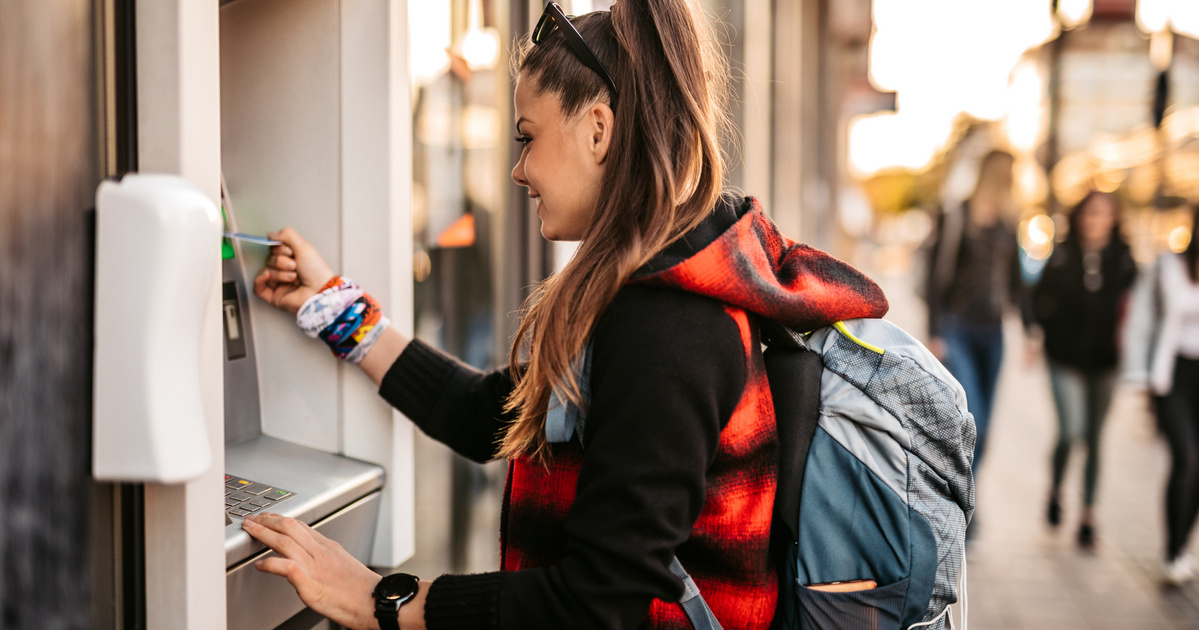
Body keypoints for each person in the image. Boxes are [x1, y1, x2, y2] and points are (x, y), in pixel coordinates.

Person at [241, 2, 889, 629]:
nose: (518, 171)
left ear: (598, 129)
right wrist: (333, 306)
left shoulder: (667, 325)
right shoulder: (662, 289)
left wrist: (381, 601)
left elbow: (598, 601)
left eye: (527, 137)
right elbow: (489, 416)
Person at [1031, 191, 1136, 551]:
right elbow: (1038, 299)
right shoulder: (1062, 255)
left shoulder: (1123, 260)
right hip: (1064, 360)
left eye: (1104, 214)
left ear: (1114, 219)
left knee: (1095, 440)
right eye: (1091, 214)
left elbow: (1137, 309)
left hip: (1106, 364)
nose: (1096, 221)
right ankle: (1057, 487)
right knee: (1071, 430)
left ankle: (1088, 516)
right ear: (1080, 217)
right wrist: (1037, 333)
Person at [925, 149, 1030, 487]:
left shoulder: (1008, 225)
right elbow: (934, 278)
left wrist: (1032, 331)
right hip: (958, 329)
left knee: (987, 427)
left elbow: (1017, 283)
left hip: (994, 333)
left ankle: (968, 491)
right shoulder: (957, 216)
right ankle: (958, 487)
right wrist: (935, 332)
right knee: (974, 419)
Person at [1125, 203, 1199, 586]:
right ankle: (1171, 551)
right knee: (1186, 458)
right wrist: (1139, 375)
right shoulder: (1168, 267)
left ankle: (1183, 546)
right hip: (1174, 378)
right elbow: (1142, 320)